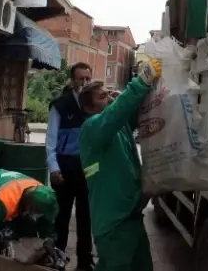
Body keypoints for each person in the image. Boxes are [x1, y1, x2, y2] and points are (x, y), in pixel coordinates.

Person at [79, 59, 162, 271]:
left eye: (109, 93)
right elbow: (116, 113)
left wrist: (151, 88)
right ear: (89, 108)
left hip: (131, 218)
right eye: (102, 96)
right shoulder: (91, 129)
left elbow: (130, 111)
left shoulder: (119, 126)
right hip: (114, 223)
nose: (108, 98)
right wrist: (140, 81)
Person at [45, 62, 94, 271]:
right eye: (80, 78)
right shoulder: (60, 106)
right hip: (65, 168)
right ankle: (58, 258)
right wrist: (54, 168)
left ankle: (84, 262)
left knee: (86, 218)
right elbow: (50, 141)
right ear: (72, 81)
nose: (84, 82)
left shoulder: (94, 106)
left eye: (87, 79)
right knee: (61, 217)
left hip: (88, 169)